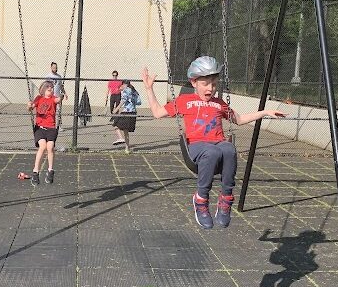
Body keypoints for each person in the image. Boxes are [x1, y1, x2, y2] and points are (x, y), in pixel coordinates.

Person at [141, 56, 285, 229]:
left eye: (214, 84)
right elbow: (157, 112)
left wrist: (264, 112)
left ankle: (226, 199)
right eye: (206, 84)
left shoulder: (219, 104)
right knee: (213, 152)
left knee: (229, 149)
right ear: (194, 82)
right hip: (196, 147)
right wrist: (149, 89)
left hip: (218, 143)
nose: (211, 88)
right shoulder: (184, 101)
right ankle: (201, 200)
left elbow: (238, 119)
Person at [27, 81, 62, 186]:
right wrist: (29, 105)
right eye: (48, 86)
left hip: (51, 127)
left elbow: (58, 100)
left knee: (50, 147)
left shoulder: (53, 98)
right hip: (40, 128)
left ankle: (50, 170)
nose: (50, 88)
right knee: (42, 146)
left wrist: (62, 95)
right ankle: (35, 172)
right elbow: (31, 107)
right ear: (42, 89)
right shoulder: (39, 98)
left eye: (51, 86)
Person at [112, 80, 140, 153]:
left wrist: (116, 109)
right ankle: (127, 149)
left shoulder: (126, 90)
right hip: (133, 113)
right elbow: (139, 102)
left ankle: (120, 138)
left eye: (122, 85)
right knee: (125, 131)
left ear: (124, 84)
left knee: (115, 125)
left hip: (127, 112)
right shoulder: (134, 91)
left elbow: (123, 100)